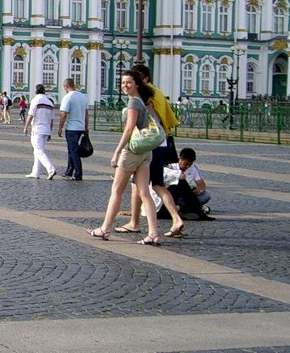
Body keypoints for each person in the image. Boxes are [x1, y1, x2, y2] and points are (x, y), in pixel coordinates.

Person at [87, 69, 161, 245]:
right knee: (144, 192)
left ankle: (105, 229)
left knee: (116, 190)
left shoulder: (134, 103)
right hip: (145, 151)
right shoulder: (141, 101)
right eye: (122, 83)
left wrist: (117, 151)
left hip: (132, 151)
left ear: (137, 84)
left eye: (128, 82)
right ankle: (153, 233)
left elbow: (129, 129)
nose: (125, 85)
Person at [118, 64, 186, 239]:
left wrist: (119, 150)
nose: (132, 84)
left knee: (138, 185)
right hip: (162, 142)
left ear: (143, 79)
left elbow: (140, 123)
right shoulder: (158, 93)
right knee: (157, 184)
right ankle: (175, 219)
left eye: (135, 79)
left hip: (148, 144)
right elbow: (167, 118)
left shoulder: (145, 96)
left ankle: (135, 223)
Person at [161, 148, 215, 220]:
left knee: (205, 196)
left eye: (189, 165)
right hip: (172, 195)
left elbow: (202, 184)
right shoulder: (170, 166)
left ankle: (181, 207)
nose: (187, 167)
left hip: (186, 196)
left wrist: (199, 190)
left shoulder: (193, 168)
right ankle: (187, 208)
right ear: (180, 159)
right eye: (185, 164)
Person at [57, 78, 89, 181]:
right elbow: (86, 114)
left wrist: (60, 127)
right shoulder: (83, 97)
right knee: (71, 150)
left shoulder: (67, 97)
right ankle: (69, 171)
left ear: (66, 86)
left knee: (73, 151)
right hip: (81, 127)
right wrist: (86, 126)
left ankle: (78, 173)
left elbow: (63, 114)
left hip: (72, 128)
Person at [23, 84, 57, 180]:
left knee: (38, 150)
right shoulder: (50, 103)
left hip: (37, 128)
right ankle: (35, 172)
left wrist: (26, 127)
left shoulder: (36, 100)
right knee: (37, 151)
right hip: (46, 129)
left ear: (36, 91)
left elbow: (30, 115)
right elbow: (52, 119)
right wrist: (50, 131)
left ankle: (51, 169)